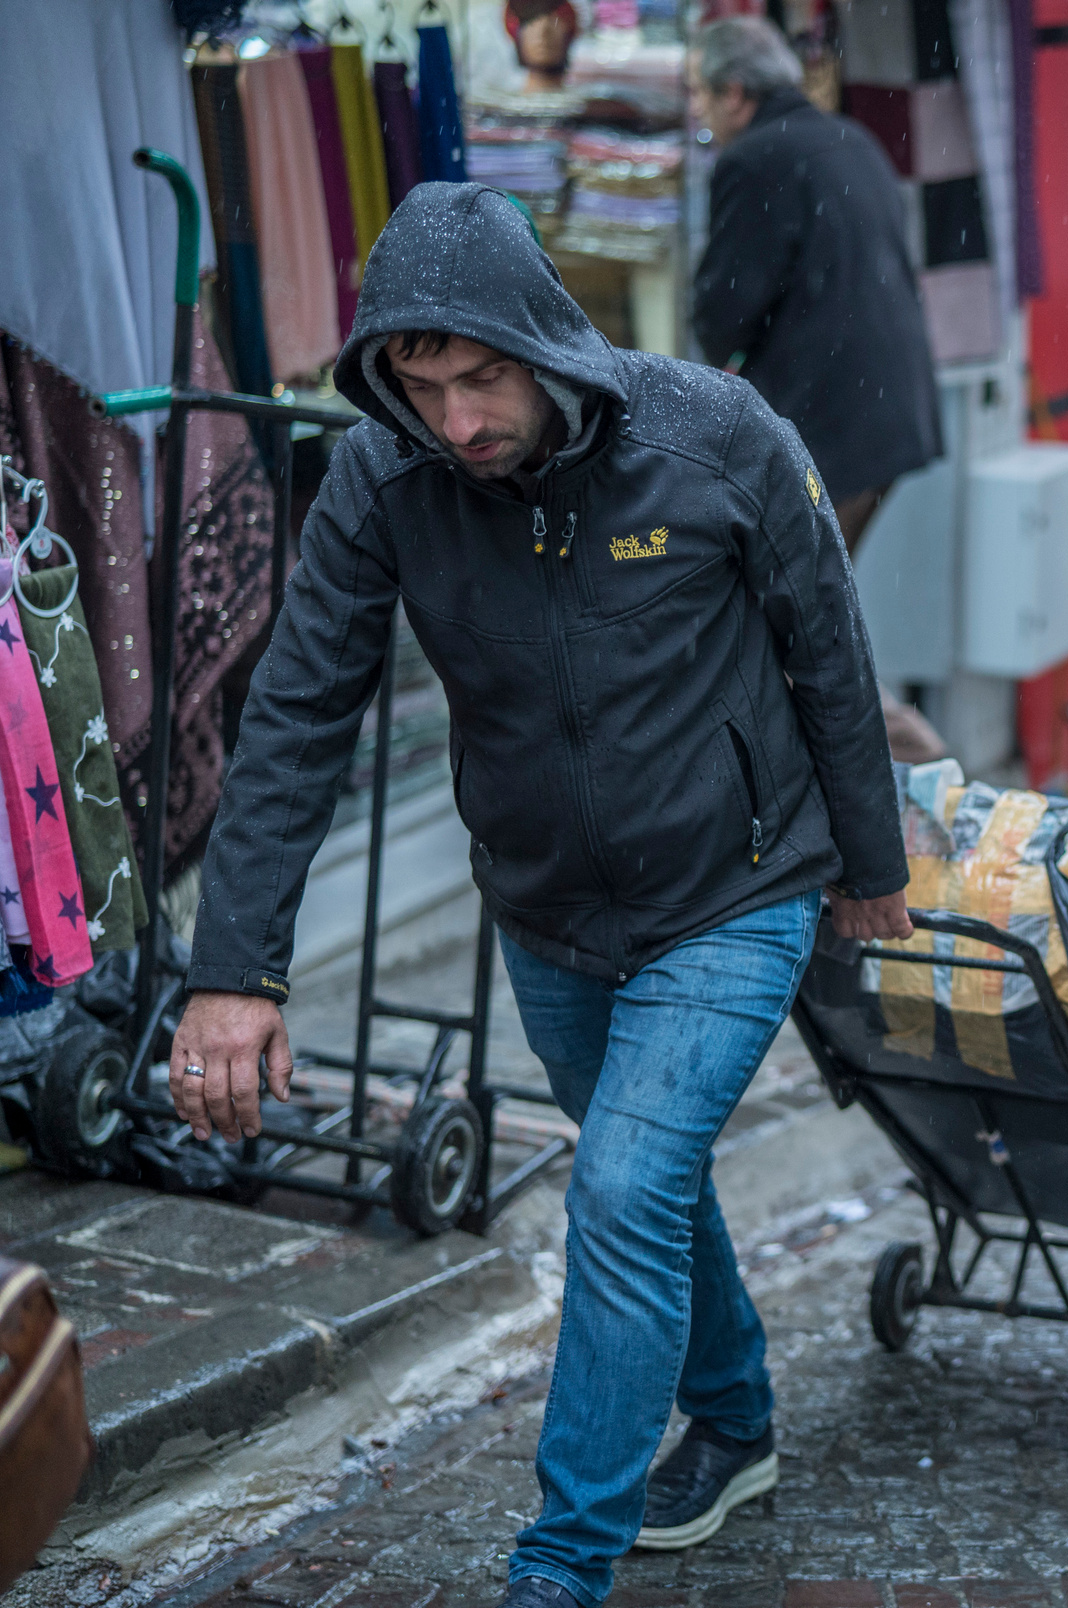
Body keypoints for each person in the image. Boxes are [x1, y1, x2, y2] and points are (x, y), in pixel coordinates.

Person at [165, 183, 914, 1608]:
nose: (456, 420)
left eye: (481, 378)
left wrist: (869, 865)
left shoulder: (719, 435)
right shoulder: (387, 482)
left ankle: (560, 1571)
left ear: (545, 340)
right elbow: (299, 715)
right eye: (422, 386)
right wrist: (236, 967)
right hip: (548, 907)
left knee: (623, 1184)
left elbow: (827, 646)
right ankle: (740, 1417)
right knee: (649, 1179)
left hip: (736, 886)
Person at [688, 15, 948, 760]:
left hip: (833, 430)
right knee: (806, 619)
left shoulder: (754, 160)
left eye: (701, 96)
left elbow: (723, 308)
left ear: (735, 92)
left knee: (795, 626)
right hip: (884, 418)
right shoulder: (848, 138)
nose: (701, 116)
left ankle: (919, 771)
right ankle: (895, 780)